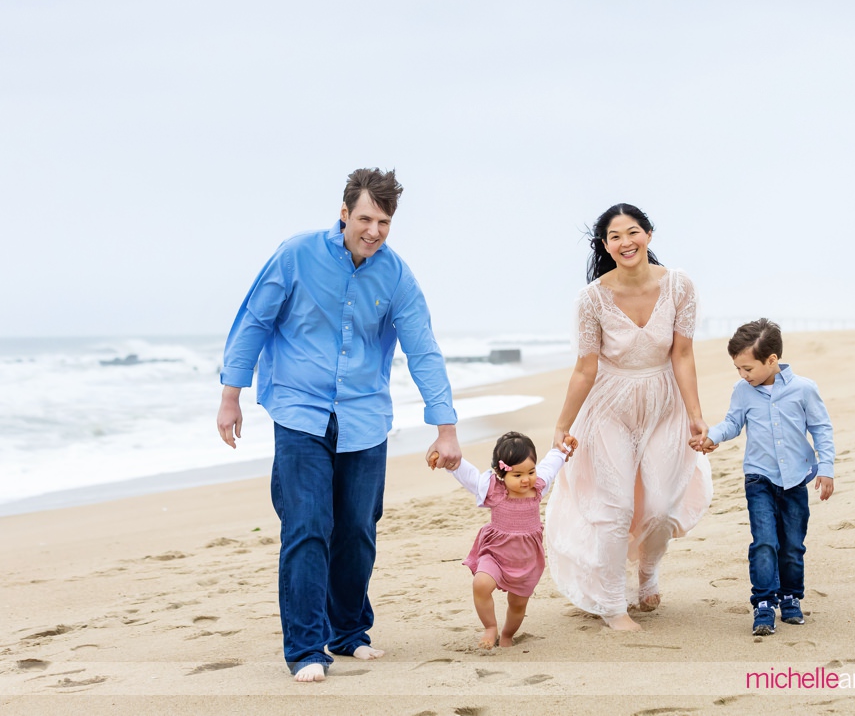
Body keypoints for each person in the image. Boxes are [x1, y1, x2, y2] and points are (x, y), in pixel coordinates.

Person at [215, 168, 461, 682]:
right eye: (366, 218)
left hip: (364, 417)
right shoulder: (296, 255)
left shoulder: (395, 275)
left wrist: (445, 425)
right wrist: (230, 396)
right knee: (307, 526)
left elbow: (423, 349)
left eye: (385, 221)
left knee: (356, 530)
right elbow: (254, 320)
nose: (374, 230)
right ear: (345, 212)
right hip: (298, 411)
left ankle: (348, 633)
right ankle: (306, 648)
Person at [545, 203, 713, 631]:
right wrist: (563, 424)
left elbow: (683, 353)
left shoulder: (680, 285)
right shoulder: (592, 299)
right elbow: (585, 368)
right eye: (615, 236)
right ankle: (612, 605)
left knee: (659, 505)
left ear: (649, 235)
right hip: (609, 408)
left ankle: (648, 573)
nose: (625, 242)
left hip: (663, 403)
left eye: (633, 232)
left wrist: (695, 414)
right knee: (615, 506)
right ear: (605, 245)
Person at [698, 318, 835, 636]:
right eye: (738, 370)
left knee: (791, 546)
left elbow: (821, 429)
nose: (743, 376)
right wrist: (713, 435)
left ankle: (790, 599)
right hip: (758, 478)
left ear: (771, 360)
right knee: (764, 543)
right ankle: (763, 603)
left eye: (748, 369)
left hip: (795, 480)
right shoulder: (743, 392)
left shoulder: (804, 389)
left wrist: (826, 468)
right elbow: (732, 423)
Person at [432, 432, 576, 649]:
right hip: (496, 553)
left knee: (517, 606)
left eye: (530, 471)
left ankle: (507, 635)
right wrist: (449, 462)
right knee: (481, 584)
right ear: (501, 474)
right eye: (517, 475)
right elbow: (468, 474)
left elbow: (551, 463)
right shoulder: (491, 489)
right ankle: (490, 627)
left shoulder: (538, 485)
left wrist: (563, 448)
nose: (526, 479)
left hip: (526, 560)